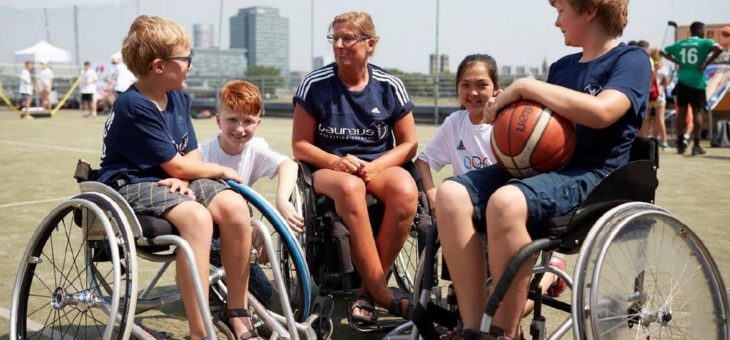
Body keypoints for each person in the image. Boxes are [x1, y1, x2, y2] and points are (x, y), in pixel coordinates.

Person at [435, 0, 650, 338]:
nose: (556, 22)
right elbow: (533, 131)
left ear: (590, 10)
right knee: (450, 193)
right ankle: (475, 327)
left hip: (593, 176)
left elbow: (604, 111)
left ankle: (503, 333)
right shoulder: (563, 67)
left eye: (562, 11)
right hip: (543, 169)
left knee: (506, 202)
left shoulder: (631, 59)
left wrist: (525, 87)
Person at [98, 15, 261, 340]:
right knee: (198, 219)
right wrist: (217, 171)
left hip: (171, 177)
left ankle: (237, 312)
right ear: (159, 66)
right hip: (131, 182)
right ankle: (200, 331)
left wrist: (186, 178)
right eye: (186, 59)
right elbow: (179, 166)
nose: (190, 65)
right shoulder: (134, 106)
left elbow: (190, 157)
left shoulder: (178, 96)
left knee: (234, 207)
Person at [413, 54, 567, 321]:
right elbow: (423, 161)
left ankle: (548, 276)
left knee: (494, 310)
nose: (473, 92)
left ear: (497, 88)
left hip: (503, 214)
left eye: (482, 85)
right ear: (457, 88)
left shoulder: (512, 124)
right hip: (469, 215)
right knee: (475, 306)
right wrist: (432, 193)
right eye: (465, 85)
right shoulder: (455, 124)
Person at [291, 11, 418, 323]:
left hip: (376, 165)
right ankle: (380, 292)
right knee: (351, 188)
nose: (339, 44)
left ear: (370, 44)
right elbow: (300, 146)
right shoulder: (314, 84)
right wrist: (337, 161)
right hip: (330, 169)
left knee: (405, 190)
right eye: (335, 37)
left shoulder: (389, 85)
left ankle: (365, 291)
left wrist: (377, 167)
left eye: (348, 38)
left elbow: (409, 144)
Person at [200, 79, 304, 304]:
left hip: (235, 231)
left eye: (247, 121)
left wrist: (282, 201)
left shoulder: (255, 148)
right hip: (208, 235)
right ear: (219, 121)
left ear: (258, 124)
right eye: (232, 120)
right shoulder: (203, 153)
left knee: (264, 295)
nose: (239, 129)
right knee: (218, 294)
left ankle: (247, 243)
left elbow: (289, 165)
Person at [661, 21, 723, 155]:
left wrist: (676, 62)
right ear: (700, 31)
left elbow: (662, 52)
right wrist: (706, 63)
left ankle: (680, 144)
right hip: (697, 82)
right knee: (697, 113)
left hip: (682, 81)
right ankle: (696, 145)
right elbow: (719, 49)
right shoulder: (705, 42)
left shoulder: (680, 44)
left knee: (681, 114)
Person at [639, 48, 670, 149]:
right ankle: (664, 142)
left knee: (646, 120)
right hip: (659, 97)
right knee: (660, 120)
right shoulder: (662, 68)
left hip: (648, 96)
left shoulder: (649, 67)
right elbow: (666, 83)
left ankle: (643, 140)